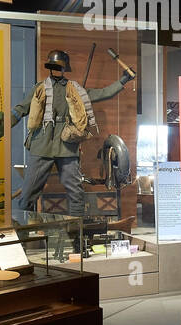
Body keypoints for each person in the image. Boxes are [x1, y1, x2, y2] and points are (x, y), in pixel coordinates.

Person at [10, 49, 132, 217]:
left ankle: (76, 234)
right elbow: (20, 109)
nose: (55, 70)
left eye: (58, 66)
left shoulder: (75, 90)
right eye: (53, 66)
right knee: (27, 196)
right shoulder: (39, 88)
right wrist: (1, 127)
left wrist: (124, 79)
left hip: (67, 147)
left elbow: (103, 93)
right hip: (41, 146)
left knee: (76, 195)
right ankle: (24, 235)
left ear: (64, 68)